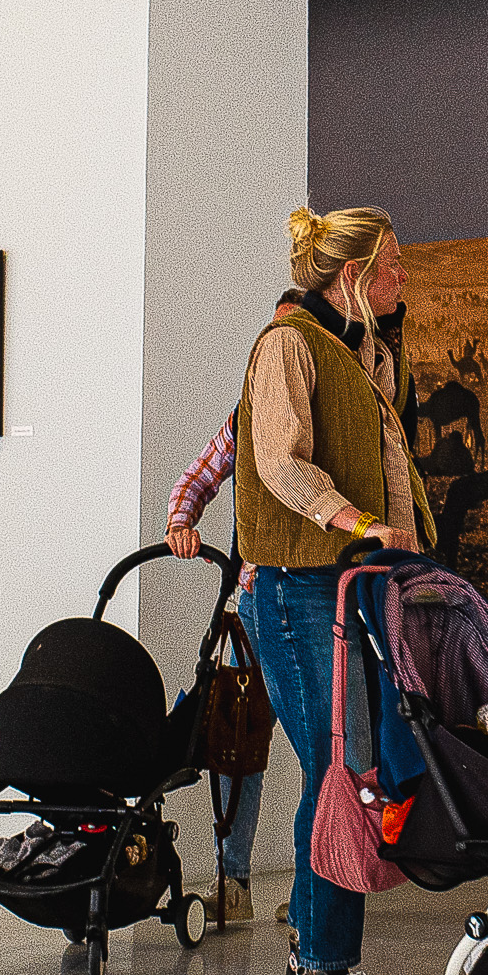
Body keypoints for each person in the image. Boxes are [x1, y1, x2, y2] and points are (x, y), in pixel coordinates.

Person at [233, 204, 433, 975]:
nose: (402, 279)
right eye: (390, 265)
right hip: (295, 588)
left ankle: (306, 947)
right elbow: (279, 461)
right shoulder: (287, 345)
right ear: (351, 276)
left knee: (334, 766)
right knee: (340, 773)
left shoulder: (364, 355)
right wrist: (354, 520)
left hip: (348, 588)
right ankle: (326, 973)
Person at [164, 289, 303, 926]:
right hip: (251, 601)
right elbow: (196, 478)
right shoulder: (248, 414)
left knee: (327, 750)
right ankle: (235, 882)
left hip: (315, 602)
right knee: (236, 739)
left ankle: (316, 893)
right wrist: (182, 522)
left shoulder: (331, 416)